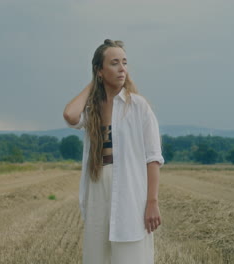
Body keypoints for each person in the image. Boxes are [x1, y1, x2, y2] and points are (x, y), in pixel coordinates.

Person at [63, 39, 164, 264]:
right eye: (114, 63)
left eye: (125, 63)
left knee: (131, 252)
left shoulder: (138, 106)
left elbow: (153, 158)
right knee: (97, 255)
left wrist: (152, 202)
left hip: (130, 188)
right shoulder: (93, 109)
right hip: (98, 184)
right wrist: (93, 84)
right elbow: (70, 115)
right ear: (100, 70)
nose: (122, 69)